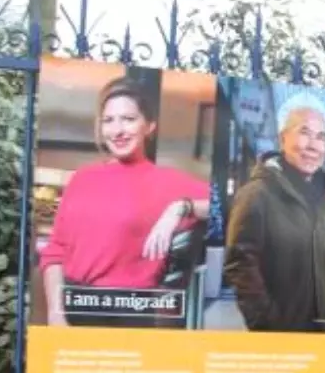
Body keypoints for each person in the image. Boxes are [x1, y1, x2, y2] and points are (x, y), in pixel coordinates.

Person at [39, 77, 213, 327]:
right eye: (108, 120)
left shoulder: (166, 181)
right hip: (73, 307)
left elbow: (230, 206)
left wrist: (181, 208)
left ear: (149, 126)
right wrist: (56, 313)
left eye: (129, 119)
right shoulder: (82, 178)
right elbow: (55, 251)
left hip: (130, 314)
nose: (117, 130)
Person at [223, 93, 325, 333]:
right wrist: (267, 322)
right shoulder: (257, 194)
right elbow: (240, 264)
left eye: (321, 137)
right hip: (282, 334)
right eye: (304, 132)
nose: (313, 145)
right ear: (282, 139)